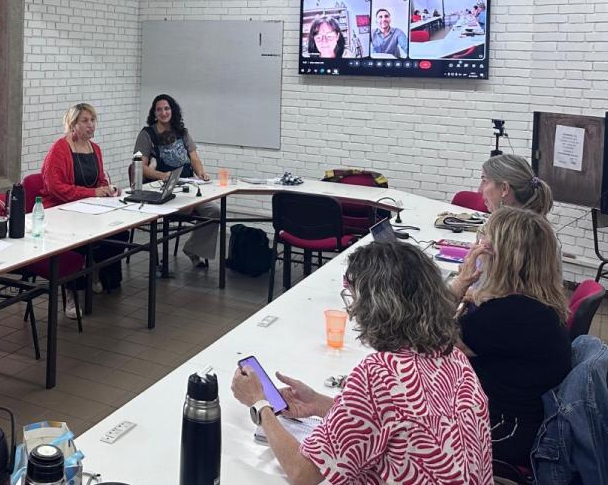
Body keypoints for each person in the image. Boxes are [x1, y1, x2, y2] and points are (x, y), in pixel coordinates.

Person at [231, 242, 492, 484]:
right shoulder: (452, 357)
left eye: (353, 297)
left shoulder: (379, 374)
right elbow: (399, 419)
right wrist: (319, 404)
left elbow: (303, 472)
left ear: (374, 305)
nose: (352, 309)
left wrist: (259, 403)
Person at [451, 207, 571, 473]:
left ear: (502, 257)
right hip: (525, 419)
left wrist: (461, 282)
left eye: (485, 241)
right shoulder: (537, 303)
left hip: (504, 429)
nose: (479, 246)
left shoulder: (508, 314)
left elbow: (429, 338)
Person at [41, 103, 128, 314]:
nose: (91, 125)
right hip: (61, 211)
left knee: (121, 233)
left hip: (89, 209)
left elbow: (98, 180)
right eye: (85, 121)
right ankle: (71, 293)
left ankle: (95, 270)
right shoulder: (60, 149)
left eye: (93, 120)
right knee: (77, 243)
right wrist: (93, 193)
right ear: (73, 125)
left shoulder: (95, 148)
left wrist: (107, 189)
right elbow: (56, 188)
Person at [134, 94, 220, 268]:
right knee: (186, 208)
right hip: (162, 190)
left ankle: (193, 249)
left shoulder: (182, 132)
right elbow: (140, 167)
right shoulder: (147, 134)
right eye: (159, 109)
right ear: (154, 112)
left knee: (214, 212)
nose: (163, 112)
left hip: (187, 186)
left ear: (172, 110)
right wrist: (161, 175)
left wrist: (201, 173)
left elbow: (194, 158)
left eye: (166, 108)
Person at [479, 153, 553, 215]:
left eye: (484, 181)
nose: (480, 190)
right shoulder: (531, 225)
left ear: (504, 188)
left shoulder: (508, 231)